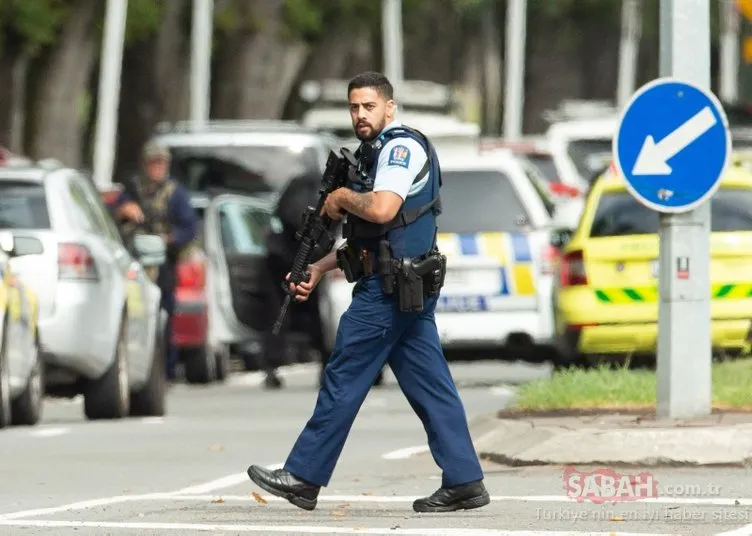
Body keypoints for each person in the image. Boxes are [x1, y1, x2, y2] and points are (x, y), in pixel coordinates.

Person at [246, 71, 488, 513]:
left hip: (389, 291)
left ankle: (303, 476)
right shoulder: (373, 152)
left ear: (389, 107)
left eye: (369, 106)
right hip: (401, 283)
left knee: (343, 375)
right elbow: (371, 240)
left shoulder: (399, 147)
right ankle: (464, 480)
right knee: (430, 386)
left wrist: (341, 198)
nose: (360, 114)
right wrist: (319, 267)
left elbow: (382, 209)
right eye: (354, 107)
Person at [262, 173, 385, 389]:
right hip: (305, 256)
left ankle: (277, 365)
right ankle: (330, 364)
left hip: (298, 256)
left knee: (298, 314)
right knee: (315, 316)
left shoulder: (305, 186)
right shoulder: (325, 189)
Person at [113, 140, 199, 381]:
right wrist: (123, 211)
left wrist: (168, 239)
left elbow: (189, 228)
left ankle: (165, 370)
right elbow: (113, 216)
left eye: (161, 163)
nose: (157, 167)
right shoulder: (132, 190)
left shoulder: (175, 194)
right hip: (134, 262)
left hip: (162, 265)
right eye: (153, 163)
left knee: (163, 315)